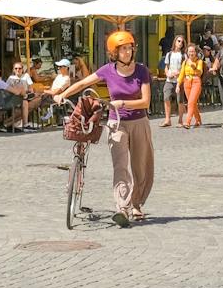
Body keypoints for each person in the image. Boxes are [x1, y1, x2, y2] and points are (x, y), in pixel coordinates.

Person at [56, 31, 154, 226]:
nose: (128, 52)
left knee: (140, 167)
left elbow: (145, 102)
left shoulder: (141, 71)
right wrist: (63, 94)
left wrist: (122, 103)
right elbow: (84, 82)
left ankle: (137, 203)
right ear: (114, 53)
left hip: (139, 122)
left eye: (130, 48)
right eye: (123, 49)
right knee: (120, 166)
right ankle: (122, 208)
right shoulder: (108, 70)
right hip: (116, 123)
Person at [160, 35, 186, 128]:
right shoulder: (169, 54)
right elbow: (166, 67)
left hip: (179, 80)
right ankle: (167, 119)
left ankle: (180, 120)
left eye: (182, 42)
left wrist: (179, 73)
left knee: (180, 100)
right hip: (169, 80)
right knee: (166, 97)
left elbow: (185, 68)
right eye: (179, 41)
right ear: (175, 42)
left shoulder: (184, 55)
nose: (180, 43)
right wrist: (168, 74)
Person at [177, 47, 206, 128]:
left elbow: (200, 72)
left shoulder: (199, 61)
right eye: (189, 51)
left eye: (193, 51)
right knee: (192, 103)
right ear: (187, 53)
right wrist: (178, 85)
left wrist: (194, 67)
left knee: (190, 102)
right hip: (187, 82)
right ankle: (198, 120)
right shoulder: (185, 62)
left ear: (196, 52)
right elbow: (182, 74)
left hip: (196, 81)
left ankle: (187, 122)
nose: (191, 53)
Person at [5, 61, 36, 131]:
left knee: (24, 101)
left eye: (19, 68)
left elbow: (31, 88)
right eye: (16, 68)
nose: (18, 70)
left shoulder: (26, 76)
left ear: (22, 69)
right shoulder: (11, 78)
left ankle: (25, 124)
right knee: (22, 97)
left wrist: (28, 91)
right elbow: (7, 89)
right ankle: (24, 124)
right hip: (15, 97)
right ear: (13, 70)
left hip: (25, 96)